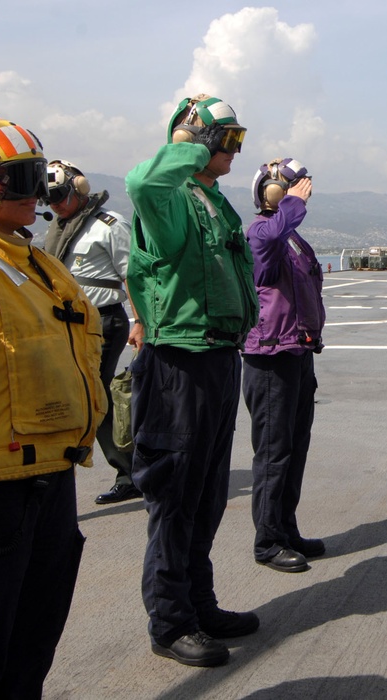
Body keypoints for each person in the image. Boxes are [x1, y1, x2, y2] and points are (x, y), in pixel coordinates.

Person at [125, 94, 259, 668]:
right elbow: (144, 184)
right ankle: (170, 621)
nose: (231, 152)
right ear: (196, 141)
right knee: (176, 496)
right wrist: (186, 144)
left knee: (205, 494)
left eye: (236, 141)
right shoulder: (172, 196)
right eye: (224, 140)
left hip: (217, 357)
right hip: (178, 362)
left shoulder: (212, 200)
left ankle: (199, 604)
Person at [0, 117, 106, 699]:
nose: (36, 191)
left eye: (37, 175)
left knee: (32, 643)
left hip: (52, 475)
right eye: (19, 178)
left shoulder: (37, 262)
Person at [243, 158, 326, 573]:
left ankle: (285, 528)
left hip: (296, 353)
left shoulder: (293, 240)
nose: (302, 194)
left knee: (295, 447)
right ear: (273, 192)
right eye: (291, 188)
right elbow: (268, 242)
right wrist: (292, 204)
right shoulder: (263, 232)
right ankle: (268, 540)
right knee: (274, 453)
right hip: (269, 359)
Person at [43, 159, 141, 505]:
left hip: (103, 322)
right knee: (80, 397)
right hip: (66, 324)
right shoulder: (58, 229)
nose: (54, 203)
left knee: (94, 397)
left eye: (59, 195)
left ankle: (129, 472)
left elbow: (132, 275)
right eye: (48, 197)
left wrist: (140, 321)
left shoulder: (109, 226)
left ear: (79, 190)